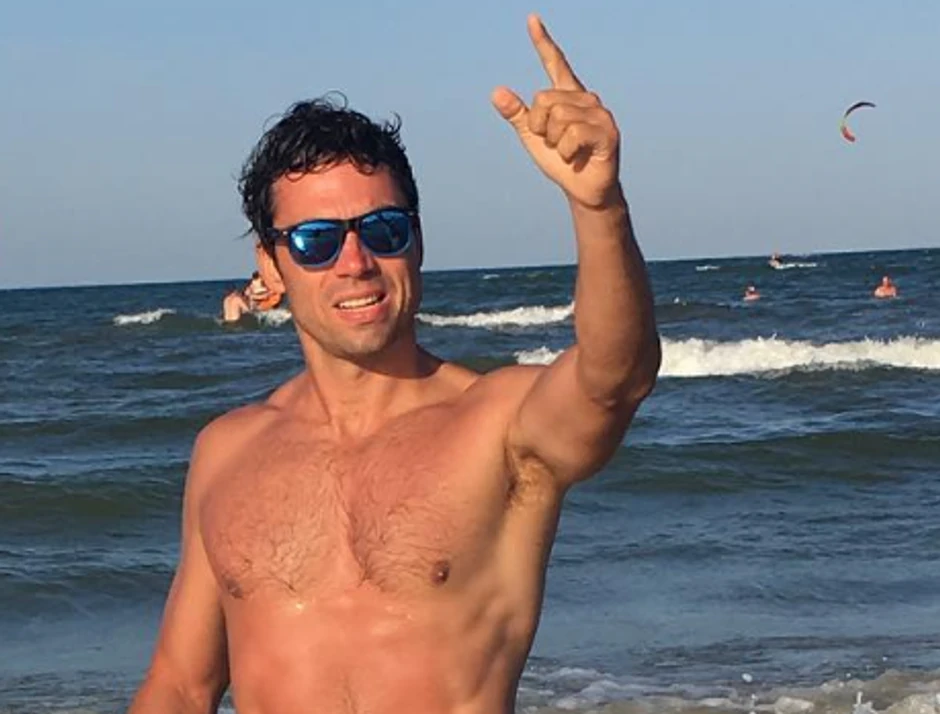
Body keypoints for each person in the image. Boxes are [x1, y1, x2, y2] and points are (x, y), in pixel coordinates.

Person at [129, 14, 660, 714]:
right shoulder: (226, 451)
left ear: (417, 242)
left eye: (383, 230)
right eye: (316, 240)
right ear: (272, 266)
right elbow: (179, 684)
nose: (355, 263)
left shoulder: (496, 425)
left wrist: (599, 207)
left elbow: (614, 378)